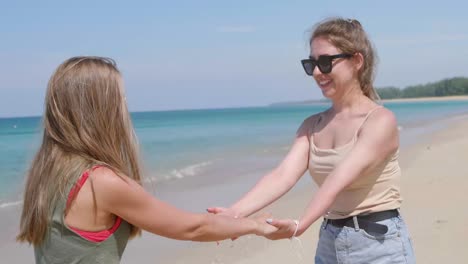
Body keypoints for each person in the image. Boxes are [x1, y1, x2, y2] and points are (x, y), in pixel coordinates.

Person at [16, 56, 276, 263]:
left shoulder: (45, 173)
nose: (125, 106)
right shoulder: (101, 182)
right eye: (120, 98)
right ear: (102, 109)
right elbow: (193, 228)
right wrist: (253, 225)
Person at [208, 17, 415, 263]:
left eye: (326, 62)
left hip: (379, 245)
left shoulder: (380, 121)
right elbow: (282, 175)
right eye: (311, 64)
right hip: (330, 241)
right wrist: (234, 213)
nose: (317, 72)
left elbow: (339, 178)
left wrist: (300, 224)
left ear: (357, 61)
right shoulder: (312, 126)